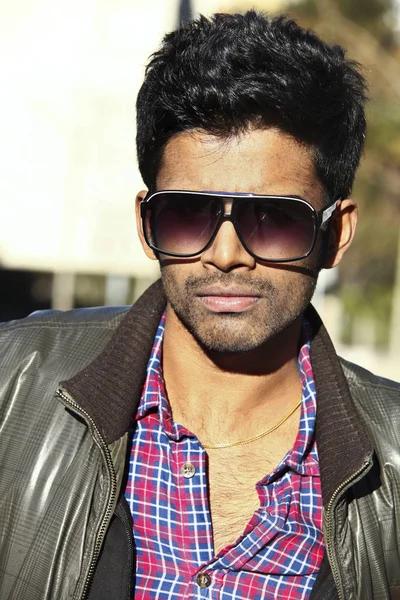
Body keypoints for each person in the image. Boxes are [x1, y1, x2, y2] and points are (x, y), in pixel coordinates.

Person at [0, 10, 399, 600]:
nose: (226, 253)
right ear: (146, 222)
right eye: (188, 214)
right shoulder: (12, 386)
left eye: (274, 219)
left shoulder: (390, 461)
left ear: (335, 235)